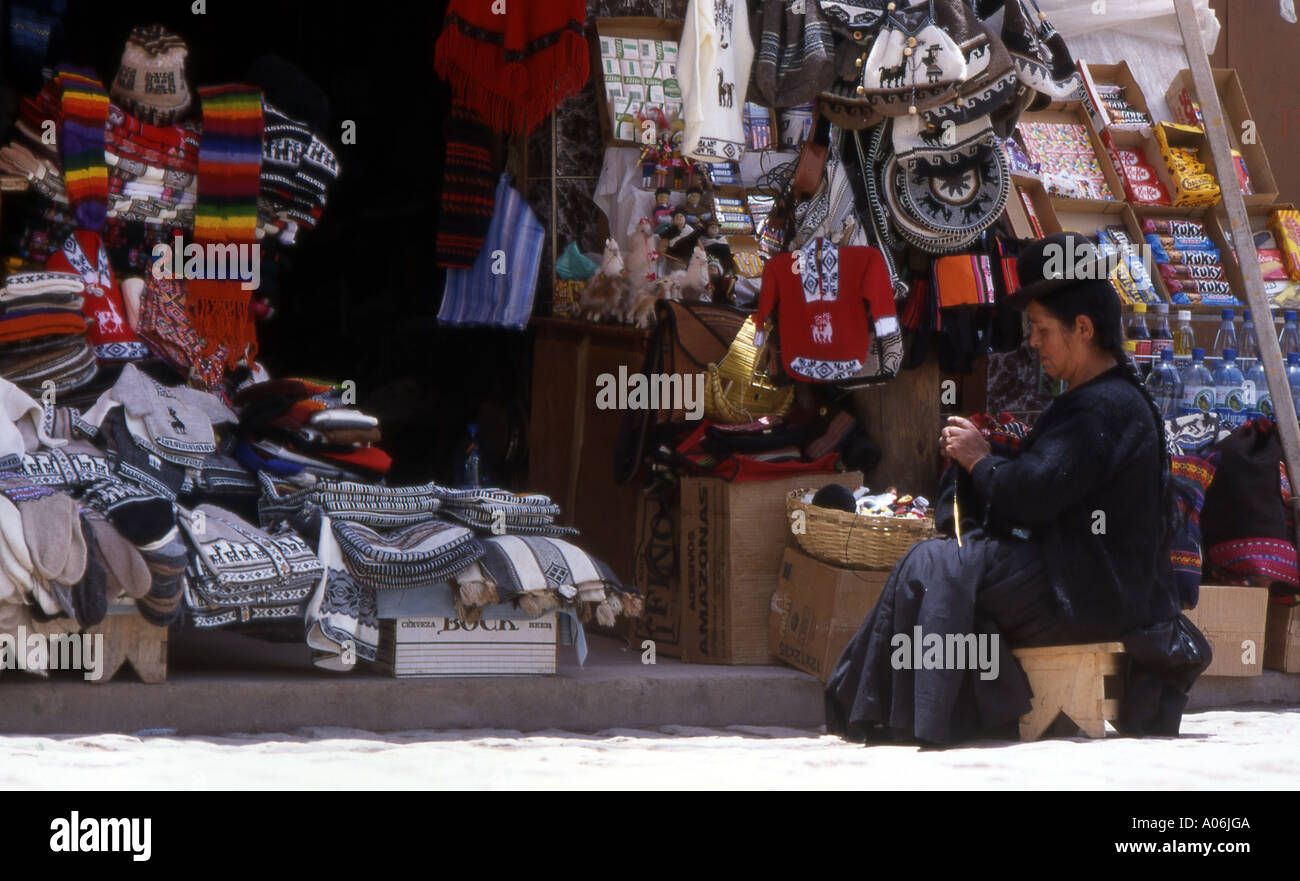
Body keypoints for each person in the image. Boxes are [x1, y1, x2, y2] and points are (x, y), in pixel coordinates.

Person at [825, 233, 1212, 746]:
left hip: (1088, 594)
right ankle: (914, 710)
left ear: (1083, 328)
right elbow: (1047, 483)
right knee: (941, 563)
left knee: (935, 564)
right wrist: (987, 461)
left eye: (1041, 329)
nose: (1032, 341)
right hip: (1077, 578)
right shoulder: (1105, 397)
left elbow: (1033, 495)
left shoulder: (1105, 406)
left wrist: (979, 459)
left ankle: (907, 714)